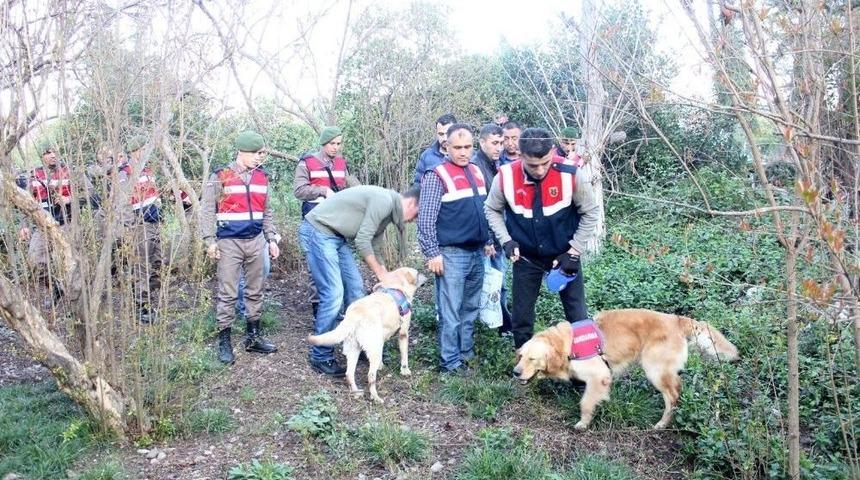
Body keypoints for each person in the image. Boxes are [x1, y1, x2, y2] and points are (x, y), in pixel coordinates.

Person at [484, 127, 600, 349]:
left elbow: (591, 212)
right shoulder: (506, 177)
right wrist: (506, 240)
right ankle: (524, 365)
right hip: (526, 258)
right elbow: (491, 209)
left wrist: (574, 250)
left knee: (578, 315)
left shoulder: (571, 173)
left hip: (564, 254)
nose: (539, 170)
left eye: (545, 163)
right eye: (533, 165)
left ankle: (583, 368)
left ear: (552, 153)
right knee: (521, 317)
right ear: (521, 155)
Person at [300, 184, 420, 376]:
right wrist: (381, 275)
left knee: (356, 290)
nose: (413, 221)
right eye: (416, 216)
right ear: (412, 203)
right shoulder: (384, 201)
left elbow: (375, 245)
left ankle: (362, 344)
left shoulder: (389, 211)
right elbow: (363, 241)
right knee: (333, 294)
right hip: (319, 231)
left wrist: (386, 275)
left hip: (337, 237)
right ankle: (320, 356)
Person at [201, 130, 280, 364]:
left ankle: (253, 337)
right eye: (254, 153)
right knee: (228, 293)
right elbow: (206, 210)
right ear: (240, 152)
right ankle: (224, 341)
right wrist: (209, 240)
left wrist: (271, 239)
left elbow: (266, 212)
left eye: (261, 154)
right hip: (229, 243)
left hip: (256, 241)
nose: (258, 158)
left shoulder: (261, 178)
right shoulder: (220, 175)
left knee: (255, 291)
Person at [418, 123, 492, 373]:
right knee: (450, 310)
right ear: (446, 146)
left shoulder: (477, 171)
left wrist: (489, 240)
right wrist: (432, 253)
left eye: (468, 147)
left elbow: (484, 210)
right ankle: (449, 362)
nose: (463, 152)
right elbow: (426, 218)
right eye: (457, 147)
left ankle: (466, 352)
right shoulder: (436, 174)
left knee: (471, 306)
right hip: (451, 254)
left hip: (477, 253)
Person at [292, 126, 360, 316]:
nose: (336, 147)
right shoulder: (307, 162)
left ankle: (345, 315)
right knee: (318, 273)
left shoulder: (341, 163)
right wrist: (322, 190)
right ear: (324, 143)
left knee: (343, 272)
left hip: (337, 224)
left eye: (339, 143)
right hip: (315, 222)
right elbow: (299, 191)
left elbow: (351, 185)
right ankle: (319, 314)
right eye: (332, 143)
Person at [18, 141, 97, 306]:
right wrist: (24, 225)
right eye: (48, 152)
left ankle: (79, 301)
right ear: (42, 156)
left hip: (67, 224)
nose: (53, 155)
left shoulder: (71, 171)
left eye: (55, 151)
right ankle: (55, 288)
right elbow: (25, 202)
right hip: (43, 226)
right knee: (35, 260)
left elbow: (91, 194)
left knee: (73, 264)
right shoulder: (33, 175)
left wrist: (70, 199)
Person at [115, 135, 163, 324]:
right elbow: (122, 203)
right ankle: (142, 307)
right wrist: (129, 228)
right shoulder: (125, 173)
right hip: (139, 226)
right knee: (141, 267)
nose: (145, 152)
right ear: (134, 152)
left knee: (158, 263)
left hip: (155, 224)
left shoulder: (148, 170)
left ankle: (146, 298)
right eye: (142, 149)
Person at [470, 123, 512, 332]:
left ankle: (500, 323)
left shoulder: (497, 164)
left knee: (498, 282)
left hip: (498, 236)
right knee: (490, 284)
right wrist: (487, 239)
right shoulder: (476, 166)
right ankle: (495, 326)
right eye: (495, 143)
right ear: (482, 142)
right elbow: (480, 207)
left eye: (501, 143)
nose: (499, 148)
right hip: (486, 239)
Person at [412, 113, 457, 186]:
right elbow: (418, 185)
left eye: (448, 133)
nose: (445, 138)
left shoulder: (466, 155)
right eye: (441, 134)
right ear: (436, 134)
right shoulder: (426, 156)